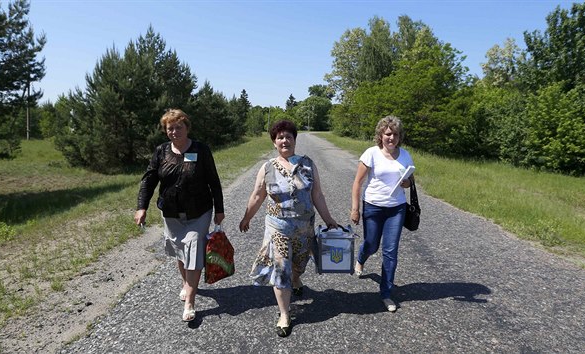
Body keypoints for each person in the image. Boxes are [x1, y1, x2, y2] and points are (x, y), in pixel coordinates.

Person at [239, 120, 338, 337]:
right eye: (280, 137)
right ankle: (284, 314)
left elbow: (317, 195)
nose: (284, 140)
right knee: (281, 269)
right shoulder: (267, 168)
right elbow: (257, 195)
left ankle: (297, 278)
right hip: (278, 228)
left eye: (288, 137)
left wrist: (329, 219)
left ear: (294, 139)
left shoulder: (308, 164)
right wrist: (247, 217)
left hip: (304, 228)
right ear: (274, 142)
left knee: (299, 264)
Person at [134, 108, 225, 322]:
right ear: (166, 131)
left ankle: (190, 302)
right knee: (180, 251)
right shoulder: (161, 152)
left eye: (179, 127)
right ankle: (187, 283)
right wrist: (142, 207)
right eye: (170, 128)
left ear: (187, 127)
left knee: (193, 249)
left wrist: (219, 210)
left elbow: (214, 181)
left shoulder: (201, 150)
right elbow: (149, 181)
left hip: (199, 211)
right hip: (172, 213)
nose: (174, 131)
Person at [350, 115, 415, 313]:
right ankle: (361, 258)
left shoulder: (405, 155)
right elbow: (358, 183)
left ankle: (386, 293)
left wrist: (407, 183)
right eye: (388, 134)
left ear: (399, 136)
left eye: (395, 134)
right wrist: (355, 208)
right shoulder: (371, 154)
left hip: (397, 208)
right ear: (381, 135)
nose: (391, 138)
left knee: (390, 251)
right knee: (372, 243)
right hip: (373, 206)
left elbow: (411, 180)